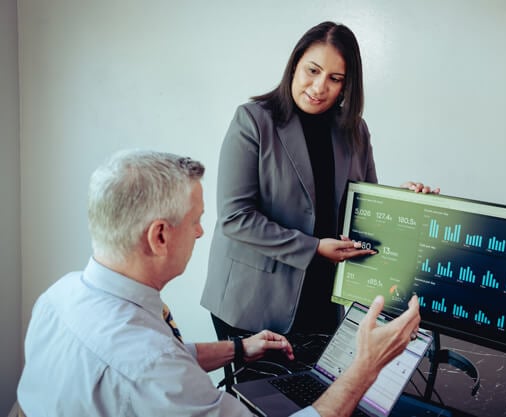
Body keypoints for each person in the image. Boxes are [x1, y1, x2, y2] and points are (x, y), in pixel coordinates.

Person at [17, 149, 421, 417]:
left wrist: (239, 349)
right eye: (195, 220)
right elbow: (151, 365)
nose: (199, 233)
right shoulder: (152, 367)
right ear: (159, 236)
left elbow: (151, 359)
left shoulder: (59, 296)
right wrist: (366, 366)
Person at [200, 21, 438, 340]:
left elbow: (365, 212)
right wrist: (313, 249)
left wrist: (406, 202)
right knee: (261, 392)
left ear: (346, 84)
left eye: (334, 78)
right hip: (253, 301)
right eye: (312, 70)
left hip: (324, 297)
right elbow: (235, 218)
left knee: (318, 391)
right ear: (295, 65)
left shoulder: (355, 130)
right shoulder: (253, 121)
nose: (319, 87)